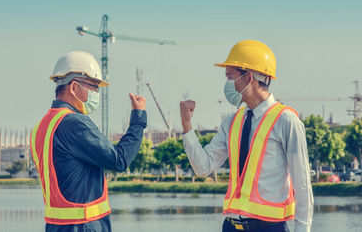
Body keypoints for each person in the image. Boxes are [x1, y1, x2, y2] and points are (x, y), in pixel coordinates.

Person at [179, 40, 313, 232]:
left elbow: (302, 186)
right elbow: (203, 167)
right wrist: (187, 126)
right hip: (231, 226)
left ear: (249, 77)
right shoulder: (231, 122)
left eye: (230, 76)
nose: (227, 83)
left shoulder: (286, 121)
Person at [31, 51, 147, 232]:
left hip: (56, 227)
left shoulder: (42, 126)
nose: (96, 93)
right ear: (74, 87)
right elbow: (119, 160)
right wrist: (138, 119)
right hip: (83, 226)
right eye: (93, 87)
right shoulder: (73, 123)